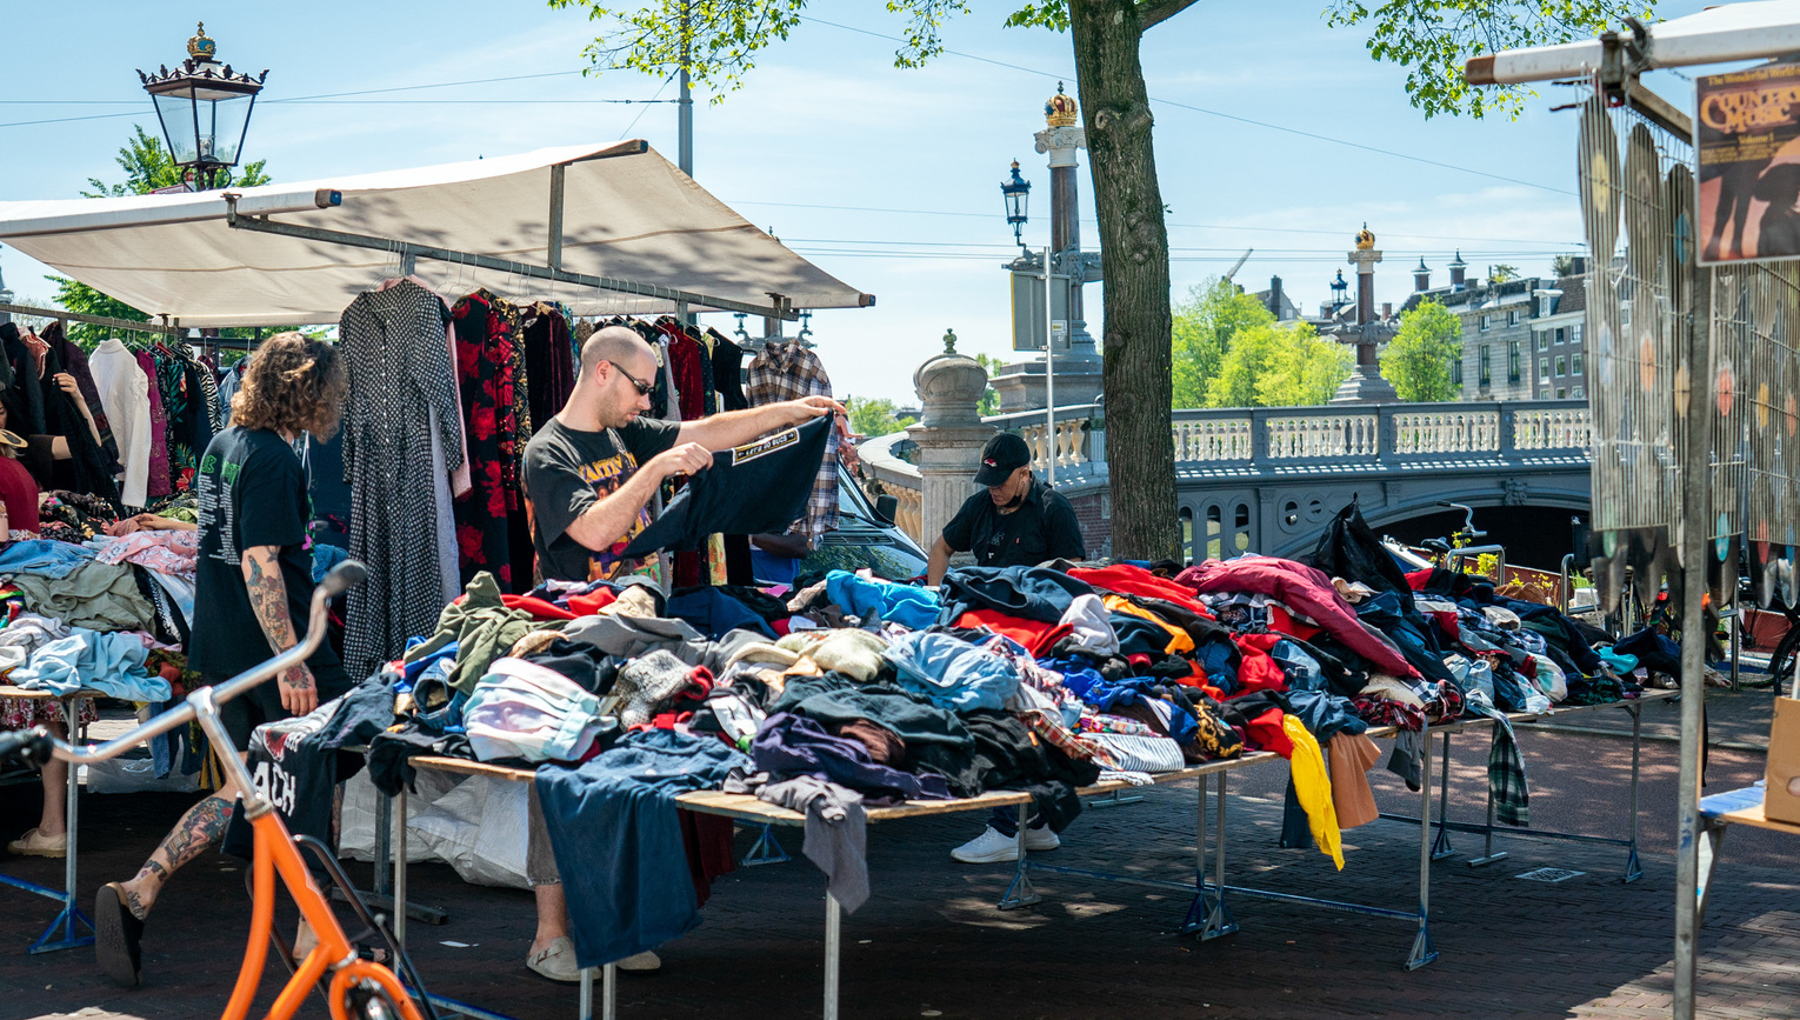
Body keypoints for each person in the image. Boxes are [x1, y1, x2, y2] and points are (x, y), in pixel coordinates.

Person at [518, 325, 843, 981]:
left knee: (631, 780)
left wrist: (790, 413)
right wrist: (659, 469)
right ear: (603, 373)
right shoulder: (546, 452)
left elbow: (711, 429)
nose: (647, 404)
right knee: (560, 777)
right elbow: (595, 530)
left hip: (643, 637)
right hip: (576, 639)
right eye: (641, 388)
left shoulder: (622, 434)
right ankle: (549, 937)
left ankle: (616, 925)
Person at [93, 334, 350, 987]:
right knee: (322, 773)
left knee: (245, 787)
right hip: (274, 652)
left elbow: (218, 536)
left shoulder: (223, 447)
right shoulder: (271, 459)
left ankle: (140, 889)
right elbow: (260, 559)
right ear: (302, 388)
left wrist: (159, 529)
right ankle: (308, 937)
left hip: (224, 646)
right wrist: (292, 661)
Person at [927, 431, 1088, 864]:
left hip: (1036, 633)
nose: (992, 490)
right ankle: (1034, 823)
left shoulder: (1055, 510)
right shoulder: (981, 504)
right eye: (987, 482)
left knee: (1011, 718)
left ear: (1025, 474)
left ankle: (1005, 826)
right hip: (985, 628)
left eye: (1000, 482)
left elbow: (1072, 579)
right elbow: (941, 547)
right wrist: (933, 593)